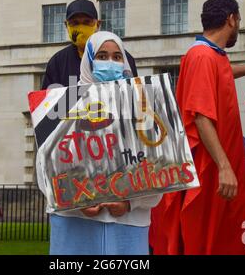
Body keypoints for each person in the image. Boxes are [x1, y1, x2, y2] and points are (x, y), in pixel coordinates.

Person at [150, 0, 245, 255]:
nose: (238, 26)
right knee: (201, 239)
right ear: (231, 19)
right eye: (239, 19)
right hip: (208, 171)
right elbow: (201, 116)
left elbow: (223, 72)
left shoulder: (211, 56)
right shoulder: (202, 57)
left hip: (215, 170)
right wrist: (225, 167)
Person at [49, 31, 161, 255]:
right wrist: (76, 200)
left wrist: (130, 204)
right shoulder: (63, 104)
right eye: (101, 55)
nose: (110, 62)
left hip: (129, 224)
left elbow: (160, 165)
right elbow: (49, 165)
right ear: (88, 60)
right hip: (74, 224)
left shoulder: (141, 107)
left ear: (125, 63)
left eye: (117, 57)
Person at [41, 0, 138, 89]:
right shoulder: (57, 62)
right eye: (75, 23)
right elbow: (47, 103)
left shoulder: (124, 58)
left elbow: (134, 95)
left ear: (98, 25)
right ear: (66, 25)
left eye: (87, 22)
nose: (81, 28)